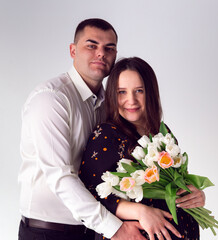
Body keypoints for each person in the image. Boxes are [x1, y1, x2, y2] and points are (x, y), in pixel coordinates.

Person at [18, 18, 148, 240]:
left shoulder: (111, 101)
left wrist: (184, 192)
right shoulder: (51, 99)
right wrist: (115, 228)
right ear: (72, 50)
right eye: (92, 45)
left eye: (109, 48)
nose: (101, 53)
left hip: (93, 230)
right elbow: (61, 176)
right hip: (49, 231)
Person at [79, 57, 206, 240]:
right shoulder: (107, 135)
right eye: (122, 92)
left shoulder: (162, 133)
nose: (131, 100)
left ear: (151, 93)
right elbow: (90, 195)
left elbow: (176, 184)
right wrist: (141, 211)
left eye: (139, 91)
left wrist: (195, 195)